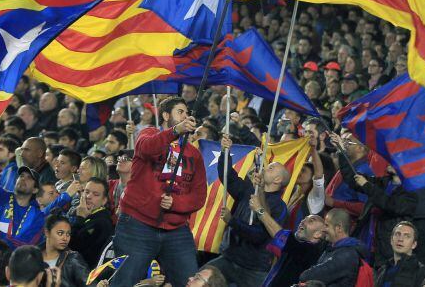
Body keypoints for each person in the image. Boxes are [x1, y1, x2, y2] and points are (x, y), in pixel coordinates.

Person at [110, 96, 206, 287]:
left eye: (187, 113)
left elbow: (199, 196)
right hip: (137, 225)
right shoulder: (148, 134)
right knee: (124, 282)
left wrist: (176, 204)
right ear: (165, 115)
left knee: (192, 283)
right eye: (180, 112)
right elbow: (147, 148)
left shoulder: (193, 154)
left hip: (176, 230)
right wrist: (175, 131)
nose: (186, 116)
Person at [204, 134, 289, 287]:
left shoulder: (279, 207)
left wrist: (231, 221)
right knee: (201, 279)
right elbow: (228, 177)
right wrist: (225, 152)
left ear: (278, 180)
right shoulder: (249, 189)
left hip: (254, 269)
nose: (265, 167)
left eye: (271, 168)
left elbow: (259, 236)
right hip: (229, 258)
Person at [0, 161, 45, 250]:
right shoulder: (1, 197)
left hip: (9, 262)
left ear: (35, 190)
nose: (23, 179)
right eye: (21, 176)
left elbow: (26, 246)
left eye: (29, 178)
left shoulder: (37, 216)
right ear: (16, 181)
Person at [300, 208, 366, 287]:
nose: (324, 229)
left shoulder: (347, 255)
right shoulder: (332, 249)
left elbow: (307, 276)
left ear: (339, 228)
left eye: (327, 225)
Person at [69, 178, 114, 267]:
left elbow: (72, 245)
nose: (88, 196)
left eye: (95, 194)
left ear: (104, 201)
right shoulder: (89, 215)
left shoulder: (101, 223)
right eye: (86, 192)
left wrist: (80, 218)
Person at [374, 221, 425, 287]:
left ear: (414, 244)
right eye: (397, 234)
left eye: (407, 236)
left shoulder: (421, 271)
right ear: (391, 240)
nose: (400, 239)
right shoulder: (382, 270)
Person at [40, 215, 88, 287]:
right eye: (60, 233)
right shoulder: (31, 257)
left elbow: (89, 284)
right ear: (47, 232)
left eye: (68, 234)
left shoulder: (73, 259)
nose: (65, 238)